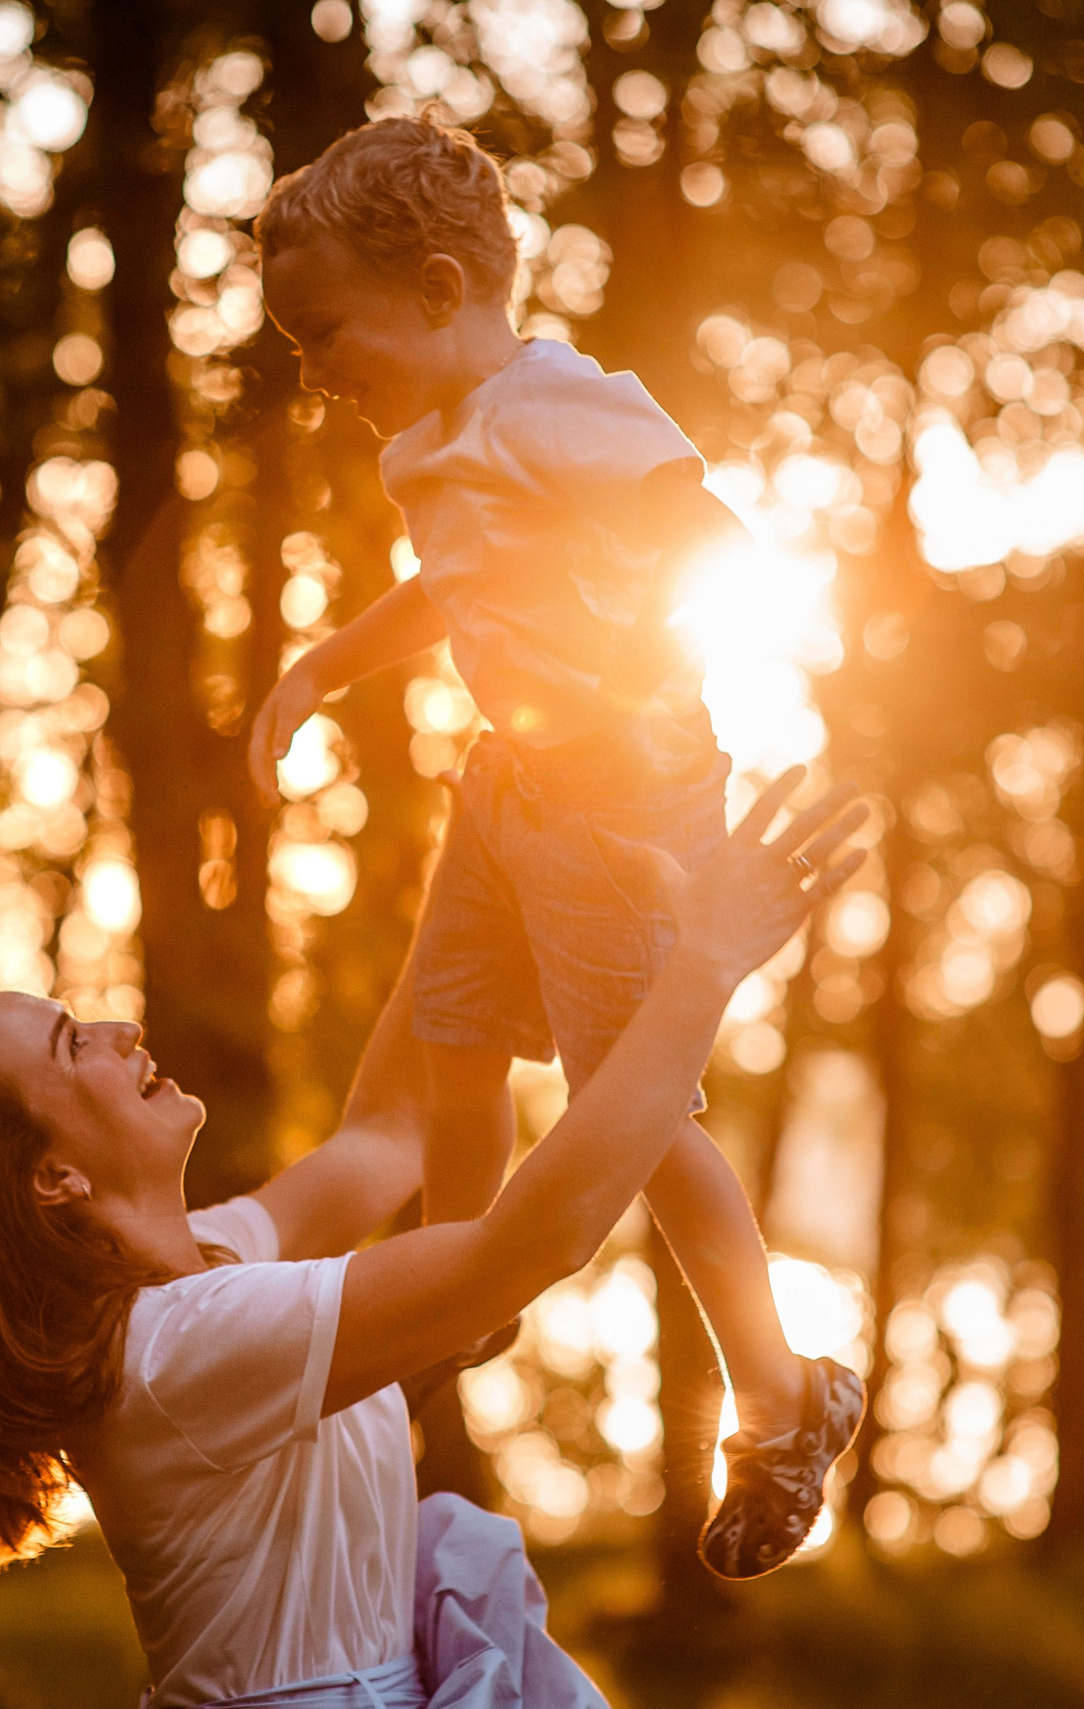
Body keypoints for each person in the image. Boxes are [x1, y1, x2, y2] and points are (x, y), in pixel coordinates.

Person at [0, 769, 866, 1707]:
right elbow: (532, 1239)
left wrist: (482, 817)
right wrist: (704, 961)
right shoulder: (177, 1351)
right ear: (52, 1175)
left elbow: (393, 1127)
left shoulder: (206, 1264)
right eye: (71, 1047)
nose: (115, 1028)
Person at [243, 113, 863, 1581]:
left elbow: (705, 531)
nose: (317, 370)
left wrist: (677, 648)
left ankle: (781, 1398)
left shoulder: (556, 406)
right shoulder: (430, 442)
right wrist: (330, 661)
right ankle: (466, 1269)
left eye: (327, 334)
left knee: (633, 1108)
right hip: (510, 783)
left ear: (444, 289)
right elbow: (452, 587)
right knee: (455, 1039)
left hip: (622, 797)